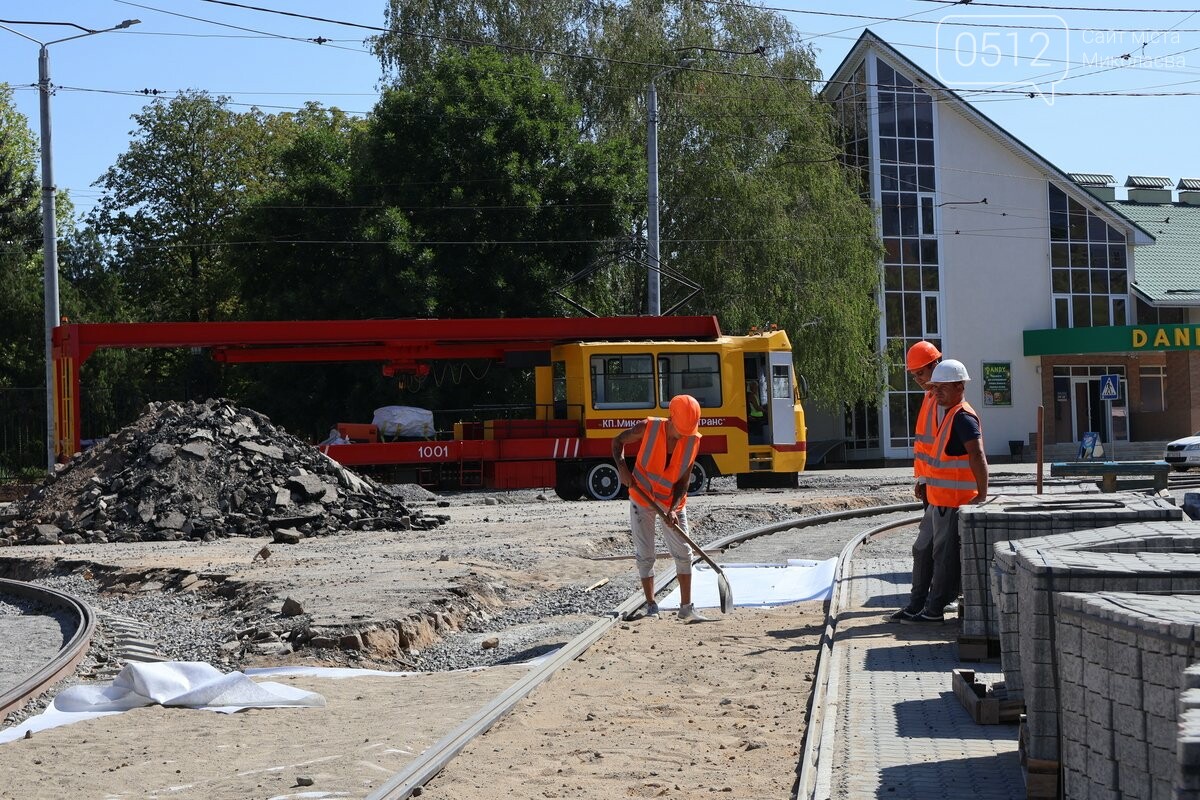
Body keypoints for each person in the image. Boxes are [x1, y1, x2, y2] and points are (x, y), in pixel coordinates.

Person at [903, 358, 989, 625]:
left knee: (944, 557)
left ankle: (935, 609)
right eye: (935, 387)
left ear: (960, 386)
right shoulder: (950, 414)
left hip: (953, 502)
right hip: (938, 501)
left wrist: (982, 495)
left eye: (942, 387)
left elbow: (977, 455)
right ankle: (919, 604)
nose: (936, 392)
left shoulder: (963, 417)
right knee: (925, 550)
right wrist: (925, 481)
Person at [611, 394, 709, 623]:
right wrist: (622, 468)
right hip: (642, 497)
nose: (684, 435)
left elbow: (684, 481)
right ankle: (651, 605)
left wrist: (673, 508)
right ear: (670, 417)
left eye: (688, 431)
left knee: (684, 553)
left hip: (671, 502)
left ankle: (686, 608)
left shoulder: (693, 440)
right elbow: (617, 442)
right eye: (681, 430)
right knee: (646, 555)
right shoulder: (648, 428)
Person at [887, 341, 941, 623]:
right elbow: (926, 446)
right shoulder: (930, 397)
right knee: (931, 549)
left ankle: (927, 605)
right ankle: (926, 604)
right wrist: (922, 479)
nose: (918, 379)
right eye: (914, 375)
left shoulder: (941, 399)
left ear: (935, 365)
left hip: (943, 488)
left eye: (921, 372)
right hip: (932, 484)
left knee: (927, 548)